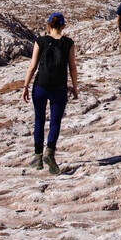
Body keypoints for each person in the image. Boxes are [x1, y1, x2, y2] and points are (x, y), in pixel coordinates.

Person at [23, 12, 78, 174]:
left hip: (40, 86)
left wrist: (26, 85)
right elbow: (72, 67)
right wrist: (75, 87)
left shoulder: (40, 41)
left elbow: (33, 66)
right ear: (63, 26)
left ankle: (38, 157)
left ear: (48, 25)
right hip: (59, 87)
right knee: (55, 122)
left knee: (39, 120)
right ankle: (50, 152)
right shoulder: (68, 43)